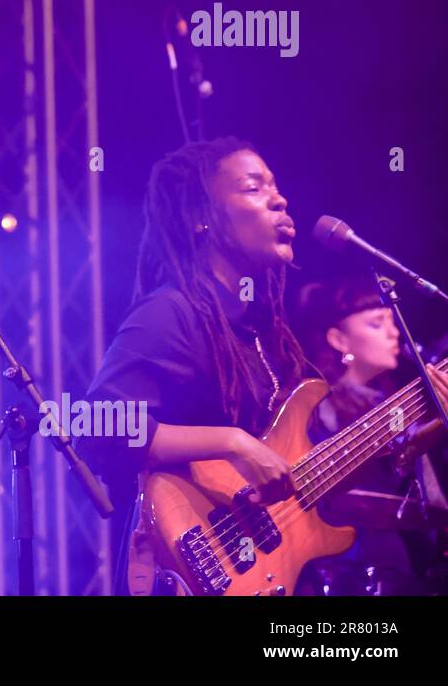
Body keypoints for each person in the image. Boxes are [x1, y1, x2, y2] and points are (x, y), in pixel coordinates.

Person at [75, 137, 314, 595]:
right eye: (253, 188)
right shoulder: (170, 314)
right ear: (201, 216)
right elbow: (96, 426)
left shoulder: (264, 328)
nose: (279, 199)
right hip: (185, 570)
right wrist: (232, 443)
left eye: (276, 187)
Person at [293, 276, 448, 594]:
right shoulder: (317, 411)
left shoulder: (389, 401)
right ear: (339, 339)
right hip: (354, 564)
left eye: (393, 322)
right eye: (377, 324)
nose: (394, 333)